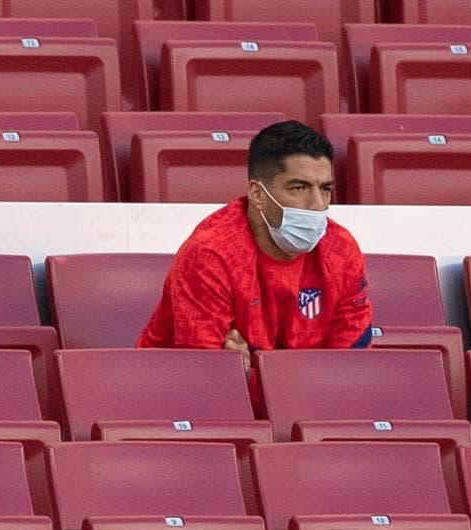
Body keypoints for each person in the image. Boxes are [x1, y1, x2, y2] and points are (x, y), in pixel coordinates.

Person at [137, 120, 372, 400]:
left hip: (300, 411)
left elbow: (347, 375)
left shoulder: (342, 251)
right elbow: (210, 384)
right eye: (299, 188)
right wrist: (249, 378)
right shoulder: (209, 255)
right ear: (258, 195)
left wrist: (251, 375)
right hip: (172, 405)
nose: (317, 205)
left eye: (325, 188)